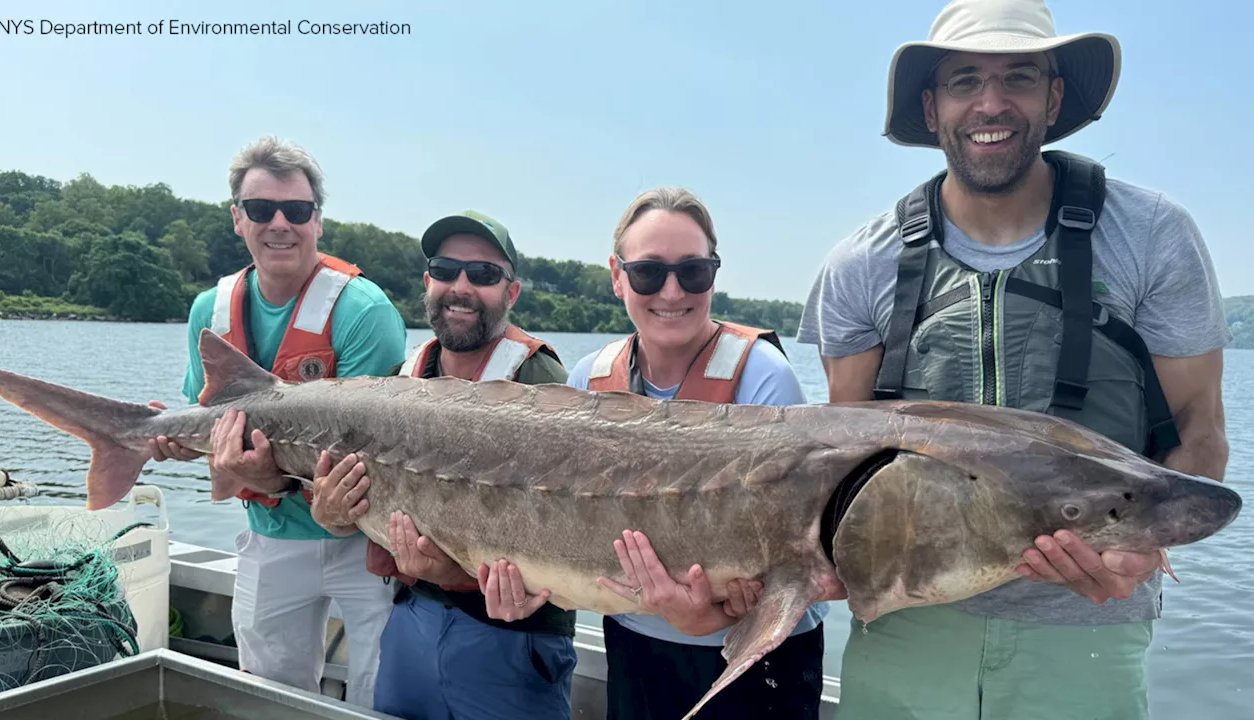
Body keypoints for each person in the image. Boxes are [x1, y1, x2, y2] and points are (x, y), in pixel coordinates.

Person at [797, 1, 1230, 718]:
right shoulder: (859, 265)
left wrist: (1141, 550)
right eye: (965, 81)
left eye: (1019, 78)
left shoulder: (1153, 235)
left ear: (1053, 96)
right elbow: (842, 466)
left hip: (1088, 631)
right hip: (906, 626)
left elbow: (1201, 426)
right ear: (932, 107)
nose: (991, 103)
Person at [564, 186, 843, 719]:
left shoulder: (765, 377)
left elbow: (796, 557)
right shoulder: (588, 378)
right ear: (617, 275)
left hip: (758, 660)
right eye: (648, 272)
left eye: (693, 272)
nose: (672, 292)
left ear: (714, 274)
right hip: (634, 642)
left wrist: (715, 617)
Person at [148, 136, 408, 708]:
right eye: (262, 210)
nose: (280, 225)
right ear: (237, 218)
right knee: (268, 698)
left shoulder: (365, 312)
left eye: (297, 210)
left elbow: (376, 456)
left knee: (380, 694)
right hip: (270, 537)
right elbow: (213, 433)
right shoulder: (208, 312)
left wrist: (265, 476)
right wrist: (174, 441)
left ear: (318, 220)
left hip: (365, 540)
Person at [309, 210, 579, 720]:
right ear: (427, 281)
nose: (462, 287)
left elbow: (565, 523)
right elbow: (356, 493)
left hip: (511, 638)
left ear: (511, 293)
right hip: (412, 615)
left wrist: (455, 571)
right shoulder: (401, 377)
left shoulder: (542, 379)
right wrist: (329, 510)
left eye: (483, 275)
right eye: (446, 269)